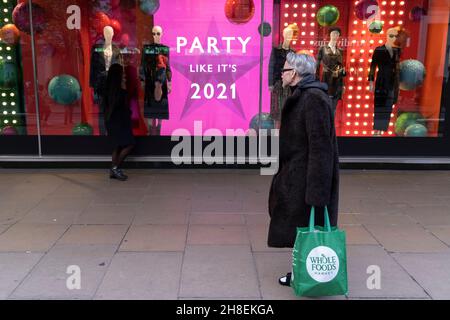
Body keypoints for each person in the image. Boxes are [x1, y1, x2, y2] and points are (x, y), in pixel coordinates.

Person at [267, 52, 340, 286]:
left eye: (285, 69)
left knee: (305, 227)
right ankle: (302, 271)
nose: (282, 73)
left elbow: (321, 147)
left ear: (295, 73)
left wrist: (317, 192)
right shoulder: (304, 96)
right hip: (298, 175)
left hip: (306, 179)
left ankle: (307, 274)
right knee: (301, 227)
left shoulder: (313, 99)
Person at [104, 63, 135, 181]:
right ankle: (115, 168)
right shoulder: (120, 91)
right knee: (130, 144)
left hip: (112, 122)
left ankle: (114, 170)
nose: (124, 75)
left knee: (117, 146)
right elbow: (123, 107)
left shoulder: (109, 90)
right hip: (121, 122)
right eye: (122, 73)